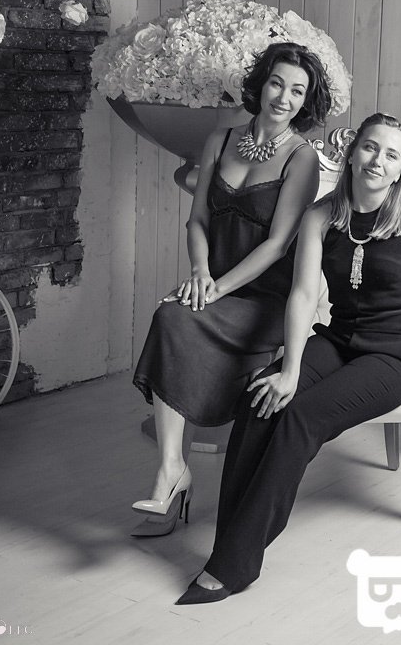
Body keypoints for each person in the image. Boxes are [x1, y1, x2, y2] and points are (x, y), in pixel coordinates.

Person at [174, 112, 401, 604]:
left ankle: (234, 563)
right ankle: (230, 542)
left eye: (391, 155)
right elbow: (304, 294)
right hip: (339, 338)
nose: (377, 160)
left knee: (300, 417)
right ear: (352, 153)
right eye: (370, 147)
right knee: (259, 397)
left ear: (400, 169)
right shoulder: (321, 216)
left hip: (395, 354)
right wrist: (288, 369)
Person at [130, 42, 331, 536]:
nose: (283, 97)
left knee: (177, 316)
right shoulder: (220, 139)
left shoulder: (301, 158)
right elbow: (197, 219)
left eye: (297, 91)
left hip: (266, 299)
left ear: (306, 101)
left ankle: (172, 480)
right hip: (214, 282)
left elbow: (278, 246)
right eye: (277, 83)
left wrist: (215, 290)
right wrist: (200, 273)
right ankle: (171, 470)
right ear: (261, 84)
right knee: (172, 313)